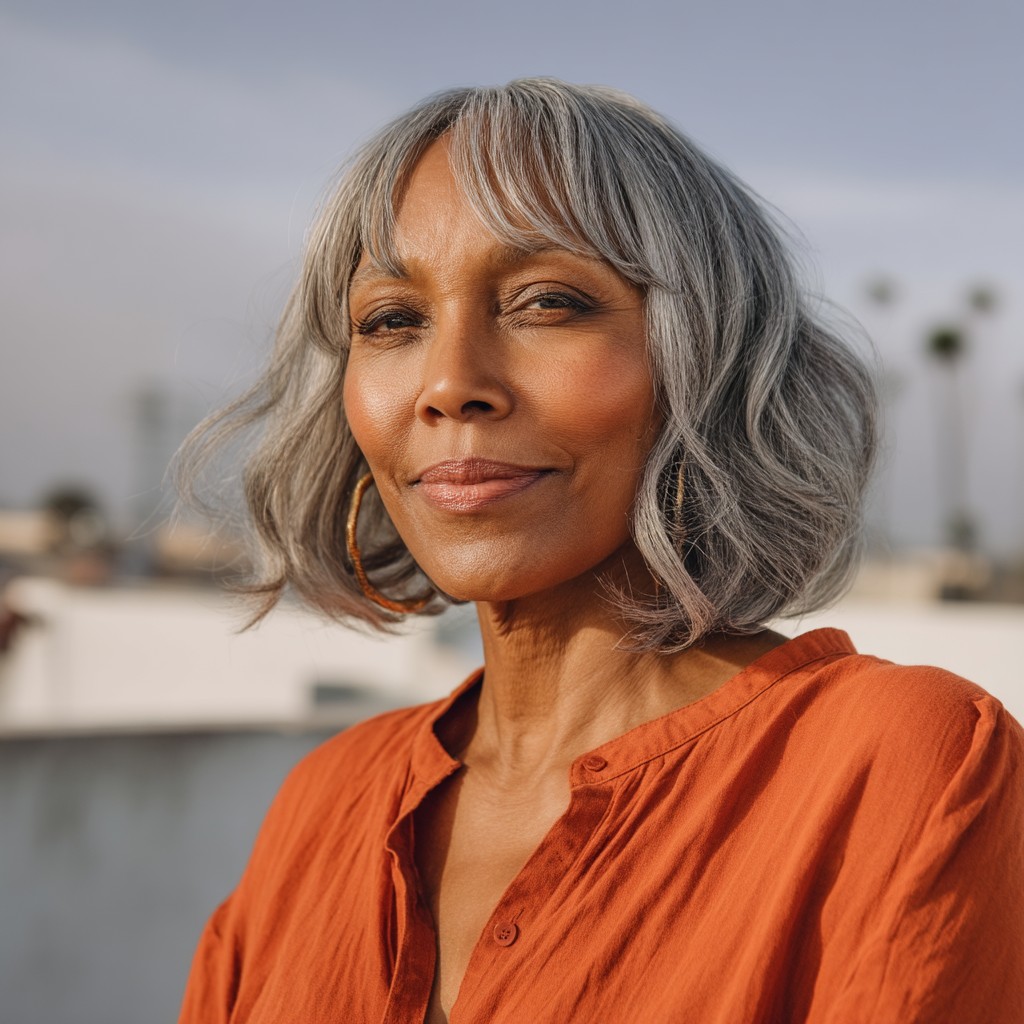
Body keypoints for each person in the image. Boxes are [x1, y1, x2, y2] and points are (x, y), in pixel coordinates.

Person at [178, 79, 1024, 1023]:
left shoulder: (898, 762)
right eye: (391, 321)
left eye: (546, 303)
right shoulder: (323, 803)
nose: (451, 383)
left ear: (704, 359)